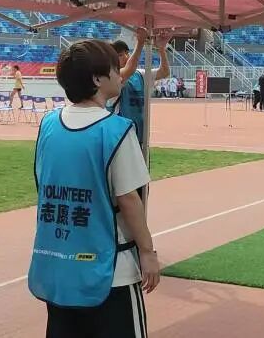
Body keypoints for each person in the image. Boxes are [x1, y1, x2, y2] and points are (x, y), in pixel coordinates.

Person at [29, 40, 160, 338]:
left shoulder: (48, 124)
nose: (120, 73)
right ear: (97, 79)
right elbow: (129, 199)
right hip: (110, 269)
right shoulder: (117, 129)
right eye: (114, 68)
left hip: (57, 266)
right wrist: (147, 252)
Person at [109, 28, 171, 152]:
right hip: (120, 137)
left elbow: (164, 72)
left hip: (140, 135)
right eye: (120, 55)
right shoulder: (112, 76)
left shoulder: (139, 75)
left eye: (126, 53)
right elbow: (129, 70)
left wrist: (161, 49)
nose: (125, 56)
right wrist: (140, 42)